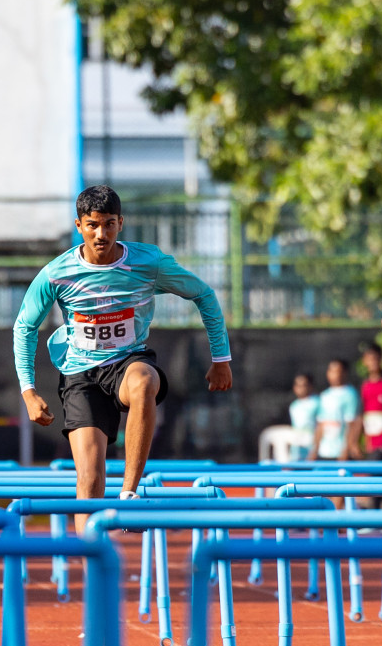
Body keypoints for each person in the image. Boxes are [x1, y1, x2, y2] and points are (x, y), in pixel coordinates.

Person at [13, 184, 232, 530]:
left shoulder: (149, 262)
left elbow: (203, 294)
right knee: (89, 479)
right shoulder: (57, 272)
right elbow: (25, 326)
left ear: (121, 223)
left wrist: (221, 359)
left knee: (144, 381)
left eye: (110, 224)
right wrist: (28, 391)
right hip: (80, 372)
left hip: (129, 361)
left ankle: (129, 494)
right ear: (79, 225)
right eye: (93, 225)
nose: (102, 234)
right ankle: (92, 567)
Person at [312, 359, 362, 461]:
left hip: (340, 454)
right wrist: (315, 450)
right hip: (324, 452)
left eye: (338, 371)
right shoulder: (325, 395)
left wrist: (346, 450)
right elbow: (320, 424)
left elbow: (352, 423)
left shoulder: (350, 394)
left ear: (345, 373)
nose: (335, 375)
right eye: (332, 371)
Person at [359, 343, 382, 460]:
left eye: (376, 358)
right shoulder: (365, 385)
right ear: (364, 361)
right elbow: (362, 413)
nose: (373, 362)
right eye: (370, 359)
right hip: (371, 442)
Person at [288, 373, 320, 461]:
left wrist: (315, 449)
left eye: (304, 385)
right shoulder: (294, 406)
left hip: (312, 447)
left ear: (311, 386)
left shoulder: (317, 403)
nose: (300, 388)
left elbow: (320, 426)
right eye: (298, 385)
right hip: (297, 448)